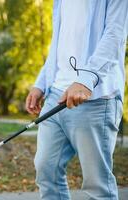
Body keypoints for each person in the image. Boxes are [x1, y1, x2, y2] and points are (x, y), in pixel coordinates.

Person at [25, 1, 128, 199]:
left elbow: (115, 35)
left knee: (97, 186)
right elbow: (58, 42)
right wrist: (41, 83)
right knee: (46, 170)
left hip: (96, 99)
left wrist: (86, 79)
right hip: (56, 94)